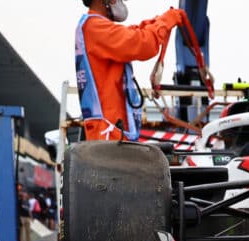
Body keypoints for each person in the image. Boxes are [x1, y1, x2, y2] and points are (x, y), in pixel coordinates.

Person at [76, 0, 187, 141]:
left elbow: (131, 33)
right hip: (109, 132)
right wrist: (165, 22)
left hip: (110, 130)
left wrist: (155, 22)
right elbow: (142, 43)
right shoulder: (95, 28)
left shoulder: (94, 27)